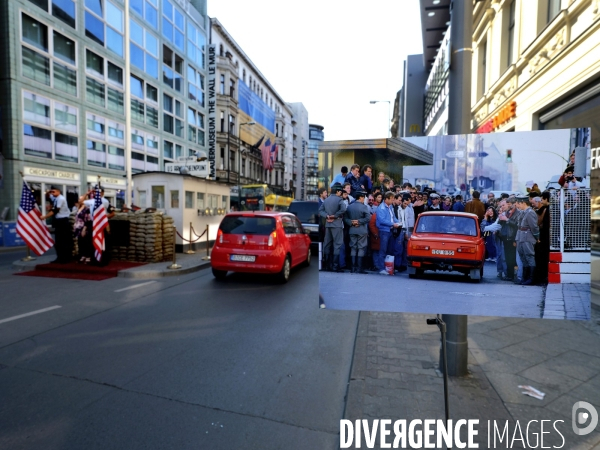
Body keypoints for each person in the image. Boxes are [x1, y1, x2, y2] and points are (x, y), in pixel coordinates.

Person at [40, 186, 73, 264]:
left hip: (63, 221)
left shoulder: (61, 199)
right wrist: (48, 192)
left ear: (59, 191)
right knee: (58, 241)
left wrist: (45, 217)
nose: (52, 193)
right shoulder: (55, 197)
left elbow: (55, 210)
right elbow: (49, 196)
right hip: (58, 221)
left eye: (54, 191)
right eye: (52, 192)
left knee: (63, 241)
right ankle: (60, 257)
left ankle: (65, 258)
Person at [319, 183, 346, 272]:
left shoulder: (326, 200)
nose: (341, 193)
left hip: (328, 224)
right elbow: (343, 209)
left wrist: (327, 216)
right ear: (338, 191)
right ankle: (335, 266)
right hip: (337, 224)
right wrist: (334, 216)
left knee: (327, 245)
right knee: (337, 245)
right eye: (340, 191)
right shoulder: (339, 200)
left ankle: (327, 266)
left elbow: (320, 210)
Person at [344, 190, 371, 273]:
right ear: (361, 197)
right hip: (361, 230)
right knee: (361, 248)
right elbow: (368, 218)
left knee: (353, 248)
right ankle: (359, 268)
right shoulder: (364, 207)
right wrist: (359, 221)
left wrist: (352, 222)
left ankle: (353, 268)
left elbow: (345, 218)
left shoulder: (349, 206)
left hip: (352, 229)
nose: (365, 199)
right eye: (364, 197)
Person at [515, 196, 540, 285]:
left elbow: (534, 227)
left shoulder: (530, 213)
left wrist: (537, 237)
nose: (518, 205)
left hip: (527, 237)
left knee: (529, 256)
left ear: (524, 202)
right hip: (521, 237)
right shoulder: (523, 212)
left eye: (519, 203)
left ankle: (531, 278)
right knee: (523, 257)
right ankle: (525, 277)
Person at [375, 192, 401, 275]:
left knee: (390, 250)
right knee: (383, 250)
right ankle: (381, 268)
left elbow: (393, 218)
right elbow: (382, 220)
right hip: (384, 231)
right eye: (391, 199)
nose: (393, 200)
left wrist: (399, 223)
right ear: (386, 199)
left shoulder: (390, 207)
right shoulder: (381, 208)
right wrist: (393, 224)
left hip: (390, 230)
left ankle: (389, 268)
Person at [533, 192, 550, 284]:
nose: (541, 201)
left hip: (544, 238)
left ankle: (541, 277)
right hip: (543, 238)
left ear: (546, 199)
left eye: (542, 199)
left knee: (542, 258)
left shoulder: (547, 209)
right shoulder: (545, 209)